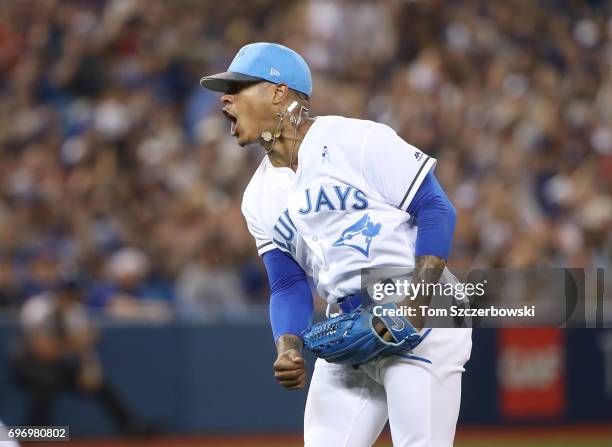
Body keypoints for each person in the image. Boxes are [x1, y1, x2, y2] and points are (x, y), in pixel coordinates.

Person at [200, 42, 472, 446]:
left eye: (239, 87)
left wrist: (417, 303)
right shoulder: (256, 197)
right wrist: (288, 343)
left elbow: (436, 208)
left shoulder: (354, 138)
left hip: (422, 308)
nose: (225, 98)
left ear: (279, 91)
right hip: (350, 328)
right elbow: (288, 285)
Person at [11, 275, 149, 436]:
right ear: (60, 292)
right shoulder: (37, 307)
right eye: (70, 292)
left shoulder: (75, 311)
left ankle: (131, 427)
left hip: (57, 364)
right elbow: (43, 350)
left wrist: (89, 369)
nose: (74, 297)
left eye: (76, 293)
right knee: (46, 383)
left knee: (100, 384)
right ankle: (32, 434)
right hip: (27, 362)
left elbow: (84, 348)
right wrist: (76, 342)